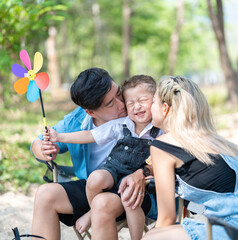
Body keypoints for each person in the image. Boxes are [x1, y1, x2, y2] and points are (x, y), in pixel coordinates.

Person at [142, 76, 238, 240]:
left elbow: (166, 218)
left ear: (165, 108)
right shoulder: (210, 139)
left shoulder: (162, 146)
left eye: (153, 101)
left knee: (153, 237)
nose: (150, 106)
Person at [31, 68, 156, 240]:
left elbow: (172, 150)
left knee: (101, 203)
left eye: (119, 94)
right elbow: (39, 143)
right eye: (111, 103)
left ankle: (93, 212)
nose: (122, 104)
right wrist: (43, 149)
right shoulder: (76, 122)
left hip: (135, 188)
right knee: (45, 194)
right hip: (94, 186)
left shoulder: (140, 111)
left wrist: (144, 172)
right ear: (90, 112)